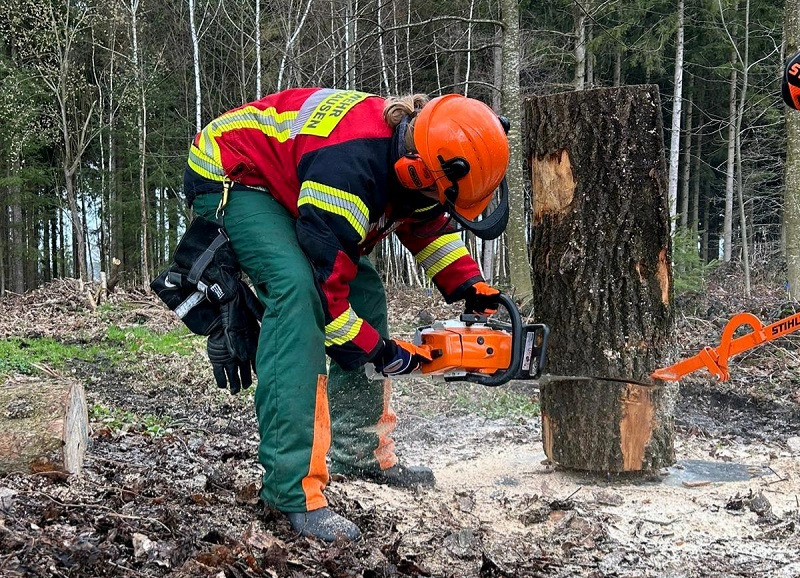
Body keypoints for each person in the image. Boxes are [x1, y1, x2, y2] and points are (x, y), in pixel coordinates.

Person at [182, 88, 510, 542]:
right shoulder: (350, 169)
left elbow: (426, 222)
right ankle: (291, 490)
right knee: (298, 294)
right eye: (435, 191)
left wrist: (469, 286)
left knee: (367, 291)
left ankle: (362, 454)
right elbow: (327, 293)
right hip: (235, 171)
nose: (436, 200)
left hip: (296, 178)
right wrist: (375, 351)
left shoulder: (425, 150)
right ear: (416, 168)